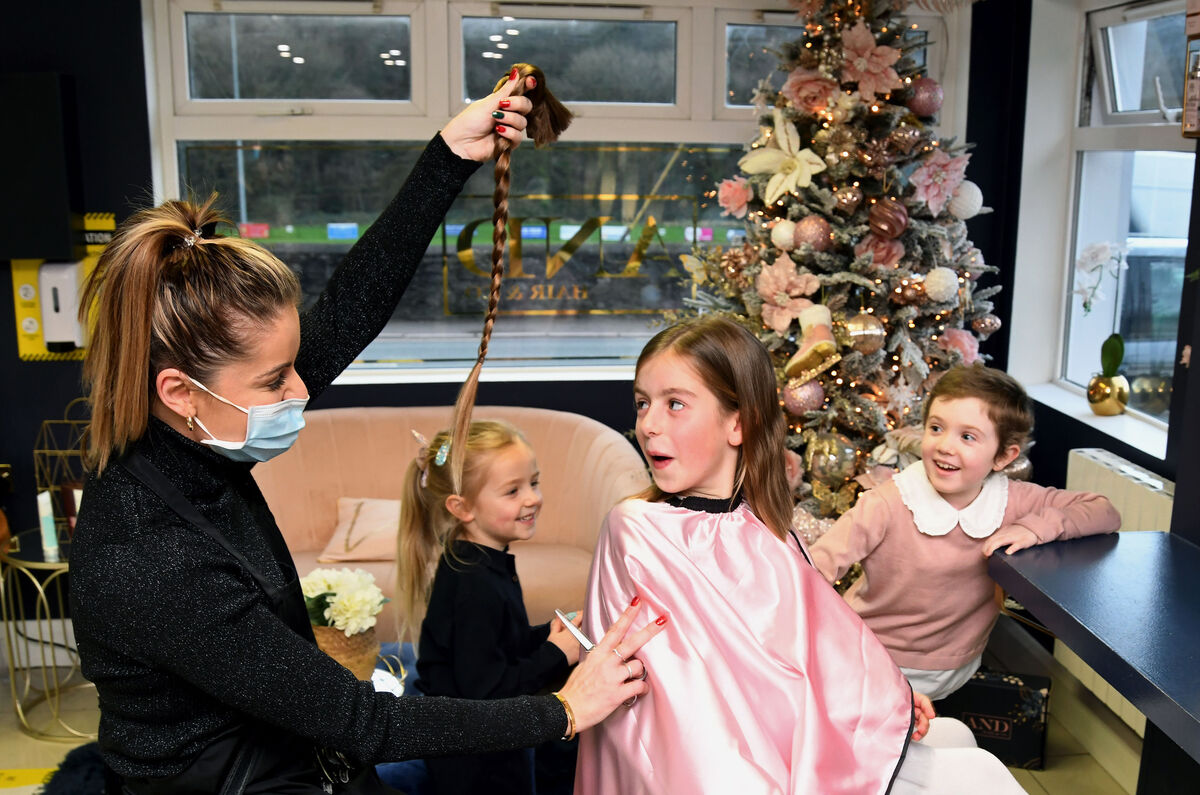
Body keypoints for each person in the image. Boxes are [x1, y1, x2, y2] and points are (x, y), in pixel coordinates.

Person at [68, 69, 662, 795]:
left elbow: (350, 309)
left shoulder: (183, 438)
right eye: (274, 380)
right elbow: (365, 724)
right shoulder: (149, 553)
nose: (299, 391)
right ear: (178, 391)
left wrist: (450, 155)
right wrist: (564, 710)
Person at [573, 316, 1025, 795]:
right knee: (978, 776)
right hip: (714, 768)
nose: (648, 424)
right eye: (642, 403)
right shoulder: (637, 530)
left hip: (787, 736)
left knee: (973, 757)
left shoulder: (764, 527)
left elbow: (825, 642)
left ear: (738, 423)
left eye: (675, 404)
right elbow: (664, 703)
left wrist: (891, 696)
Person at [810, 364, 1120, 700]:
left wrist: (1033, 528)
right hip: (867, 660)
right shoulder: (888, 502)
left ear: (1003, 456)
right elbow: (815, 566)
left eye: (967, 436)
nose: (945, 445)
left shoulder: (1013, 501)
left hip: (952, 669)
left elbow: (1104, 510)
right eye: (936, 428)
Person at [389, 420, 583, 795]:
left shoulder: (480, 560)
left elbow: (497, 646)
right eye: (512, 491)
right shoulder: (473, 585)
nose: (532, 498)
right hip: (474, 764)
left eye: (534, 482)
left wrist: (547, 635)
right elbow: (489, 693)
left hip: (480, 740)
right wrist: (555, 656)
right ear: (462, 507)